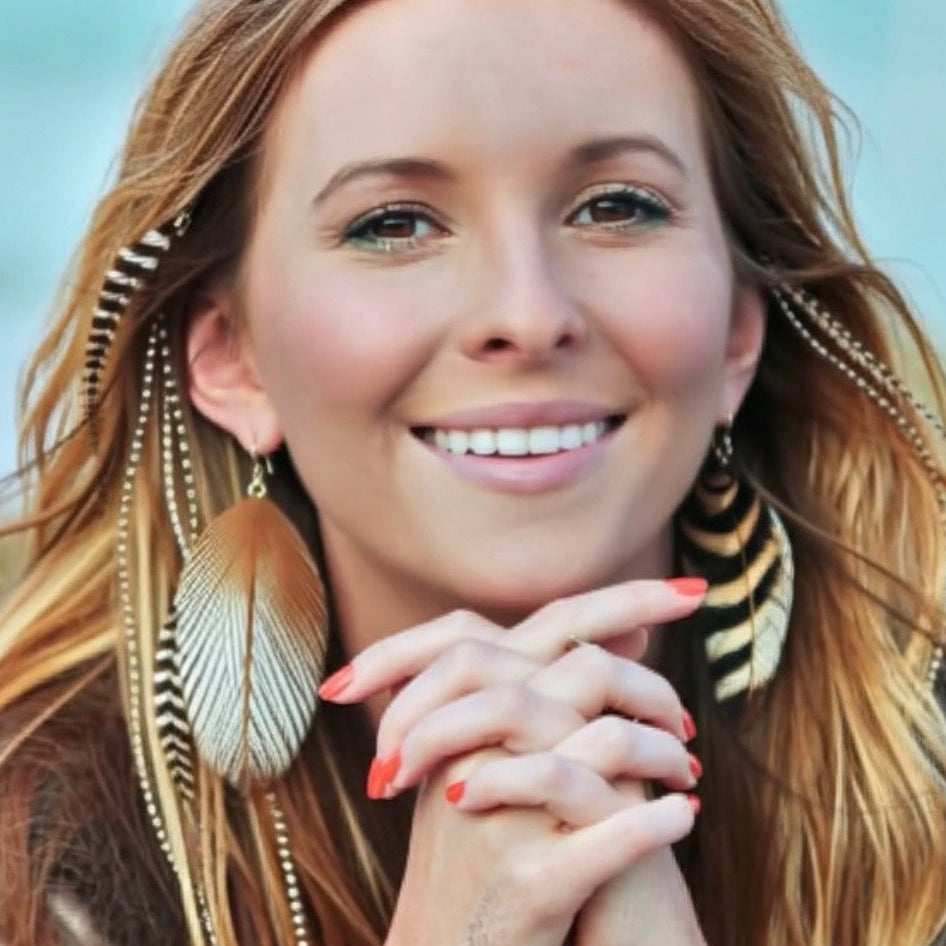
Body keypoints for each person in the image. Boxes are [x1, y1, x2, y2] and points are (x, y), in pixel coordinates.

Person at [1, 0, 945, 943]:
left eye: (616, 207)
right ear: (232, 358)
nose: (527, 316)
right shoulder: (38, 869)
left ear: (737, 331)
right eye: (395, 223)